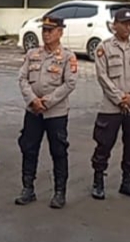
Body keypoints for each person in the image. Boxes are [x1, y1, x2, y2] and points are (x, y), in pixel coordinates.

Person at [15, 16, 78, 209]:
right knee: (29, 148)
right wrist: (33, 100)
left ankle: (59, 192)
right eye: (44, 30)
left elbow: (70, 83)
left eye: (50, 30)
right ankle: (28, 188)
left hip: (56, 113)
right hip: (33, 110)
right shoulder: (33, 54)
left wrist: (47, 102)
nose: (46, 34)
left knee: (58, 151)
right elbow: (22, 78)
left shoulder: (67, 57)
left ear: (60, 32)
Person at [89, 7, 130, 200]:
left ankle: (127, 182)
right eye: (124, 24)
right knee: (104, 144)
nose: (128, 27)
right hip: (110, 106)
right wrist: (119, 98)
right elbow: (102, 76)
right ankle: (98, 181)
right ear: (114, 25)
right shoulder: (104, 48)